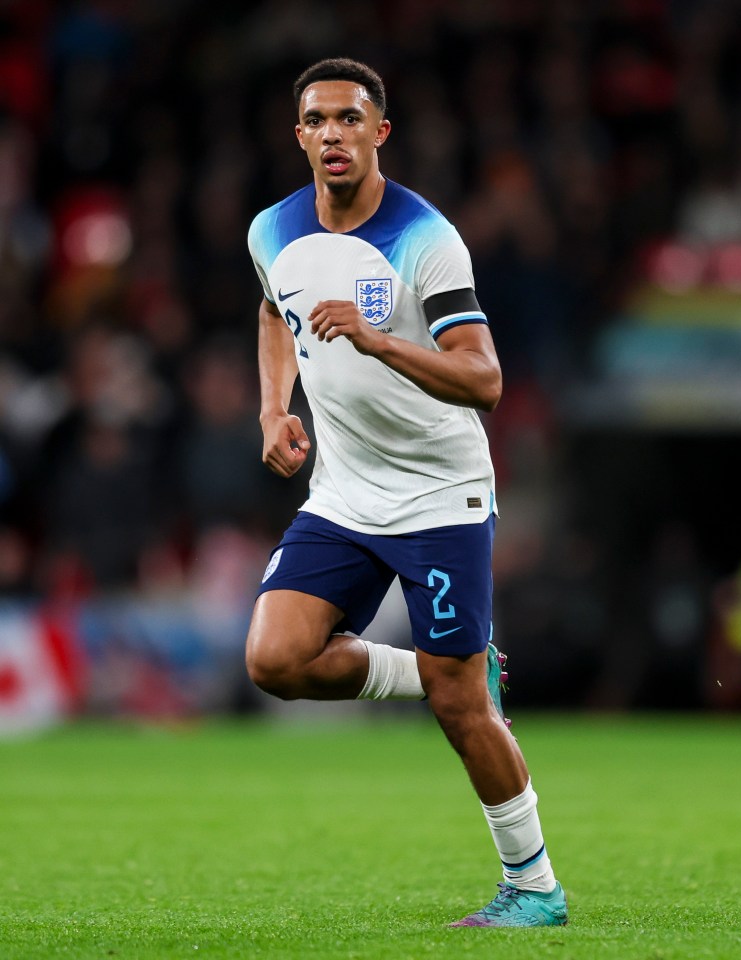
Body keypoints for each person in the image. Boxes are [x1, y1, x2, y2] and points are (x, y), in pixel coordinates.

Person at [245, 57, 567, 929]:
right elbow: (276, 310)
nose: (334, 134)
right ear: (301, 134)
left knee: (462, 707)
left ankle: (534, 887)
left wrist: (380, 341)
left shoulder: (427, 239)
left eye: (351, 118)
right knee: (275, 659)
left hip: (439, 497)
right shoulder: (271, 230)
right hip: (345, 493)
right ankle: (441, 672)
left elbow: (485, 380)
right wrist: (276, 406)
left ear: (379, 132)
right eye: (318, 120)